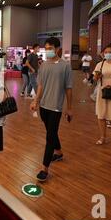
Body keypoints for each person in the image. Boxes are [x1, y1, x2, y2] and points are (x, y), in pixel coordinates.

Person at [30, 37, 73, 182]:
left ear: (57, 49)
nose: (48, 50)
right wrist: (36, 101)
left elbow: (68, 88)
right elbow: (40, 85)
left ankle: (44, 168)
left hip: (56, 107)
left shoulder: (65, 66)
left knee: (49, 137)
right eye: (46, 48)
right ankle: (59, 152)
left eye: (50, 48)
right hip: (43, 106)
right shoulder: (43, 65)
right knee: (51, 132)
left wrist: (70, 108)